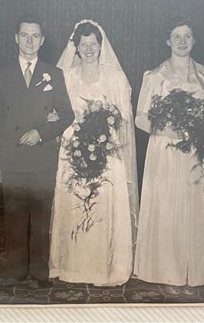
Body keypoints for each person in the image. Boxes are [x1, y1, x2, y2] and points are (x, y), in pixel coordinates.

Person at [134, 20, 204, 294]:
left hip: (196, 153)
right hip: (165, 152)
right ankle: (168, 273)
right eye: (176, 36)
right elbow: (140, 118)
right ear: (168, 42)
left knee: (193, 213)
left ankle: (192, 273)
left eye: (187, 36)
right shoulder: (154, 76)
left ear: (194, 41)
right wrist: (171, 130)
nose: (182, 41)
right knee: (168, 211)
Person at [49, 20, 138, 286]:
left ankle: (106, 266)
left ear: (101, 46)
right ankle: (74, 266)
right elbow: (58, 113)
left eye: (93, 44)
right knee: (74, 208)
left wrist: (103, 140)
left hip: (107, 153)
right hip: (72, 152)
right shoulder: (66, 76)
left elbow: (123, 120)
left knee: (103, 210)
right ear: (75, 47)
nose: (88, 49)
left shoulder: (116, 78)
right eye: (83, 44)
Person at [0, 14, 74, 288]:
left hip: (42, 158)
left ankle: (40, 272)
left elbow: (66, 114)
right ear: (16, 38)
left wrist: (41, 133)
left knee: (40, 218)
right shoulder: (1, 75)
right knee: (13, 218)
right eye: (25, 35)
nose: (30, 40)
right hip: (12, 158)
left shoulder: (54, 74)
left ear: (42, 40)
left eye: (35, 36)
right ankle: (14, 271)